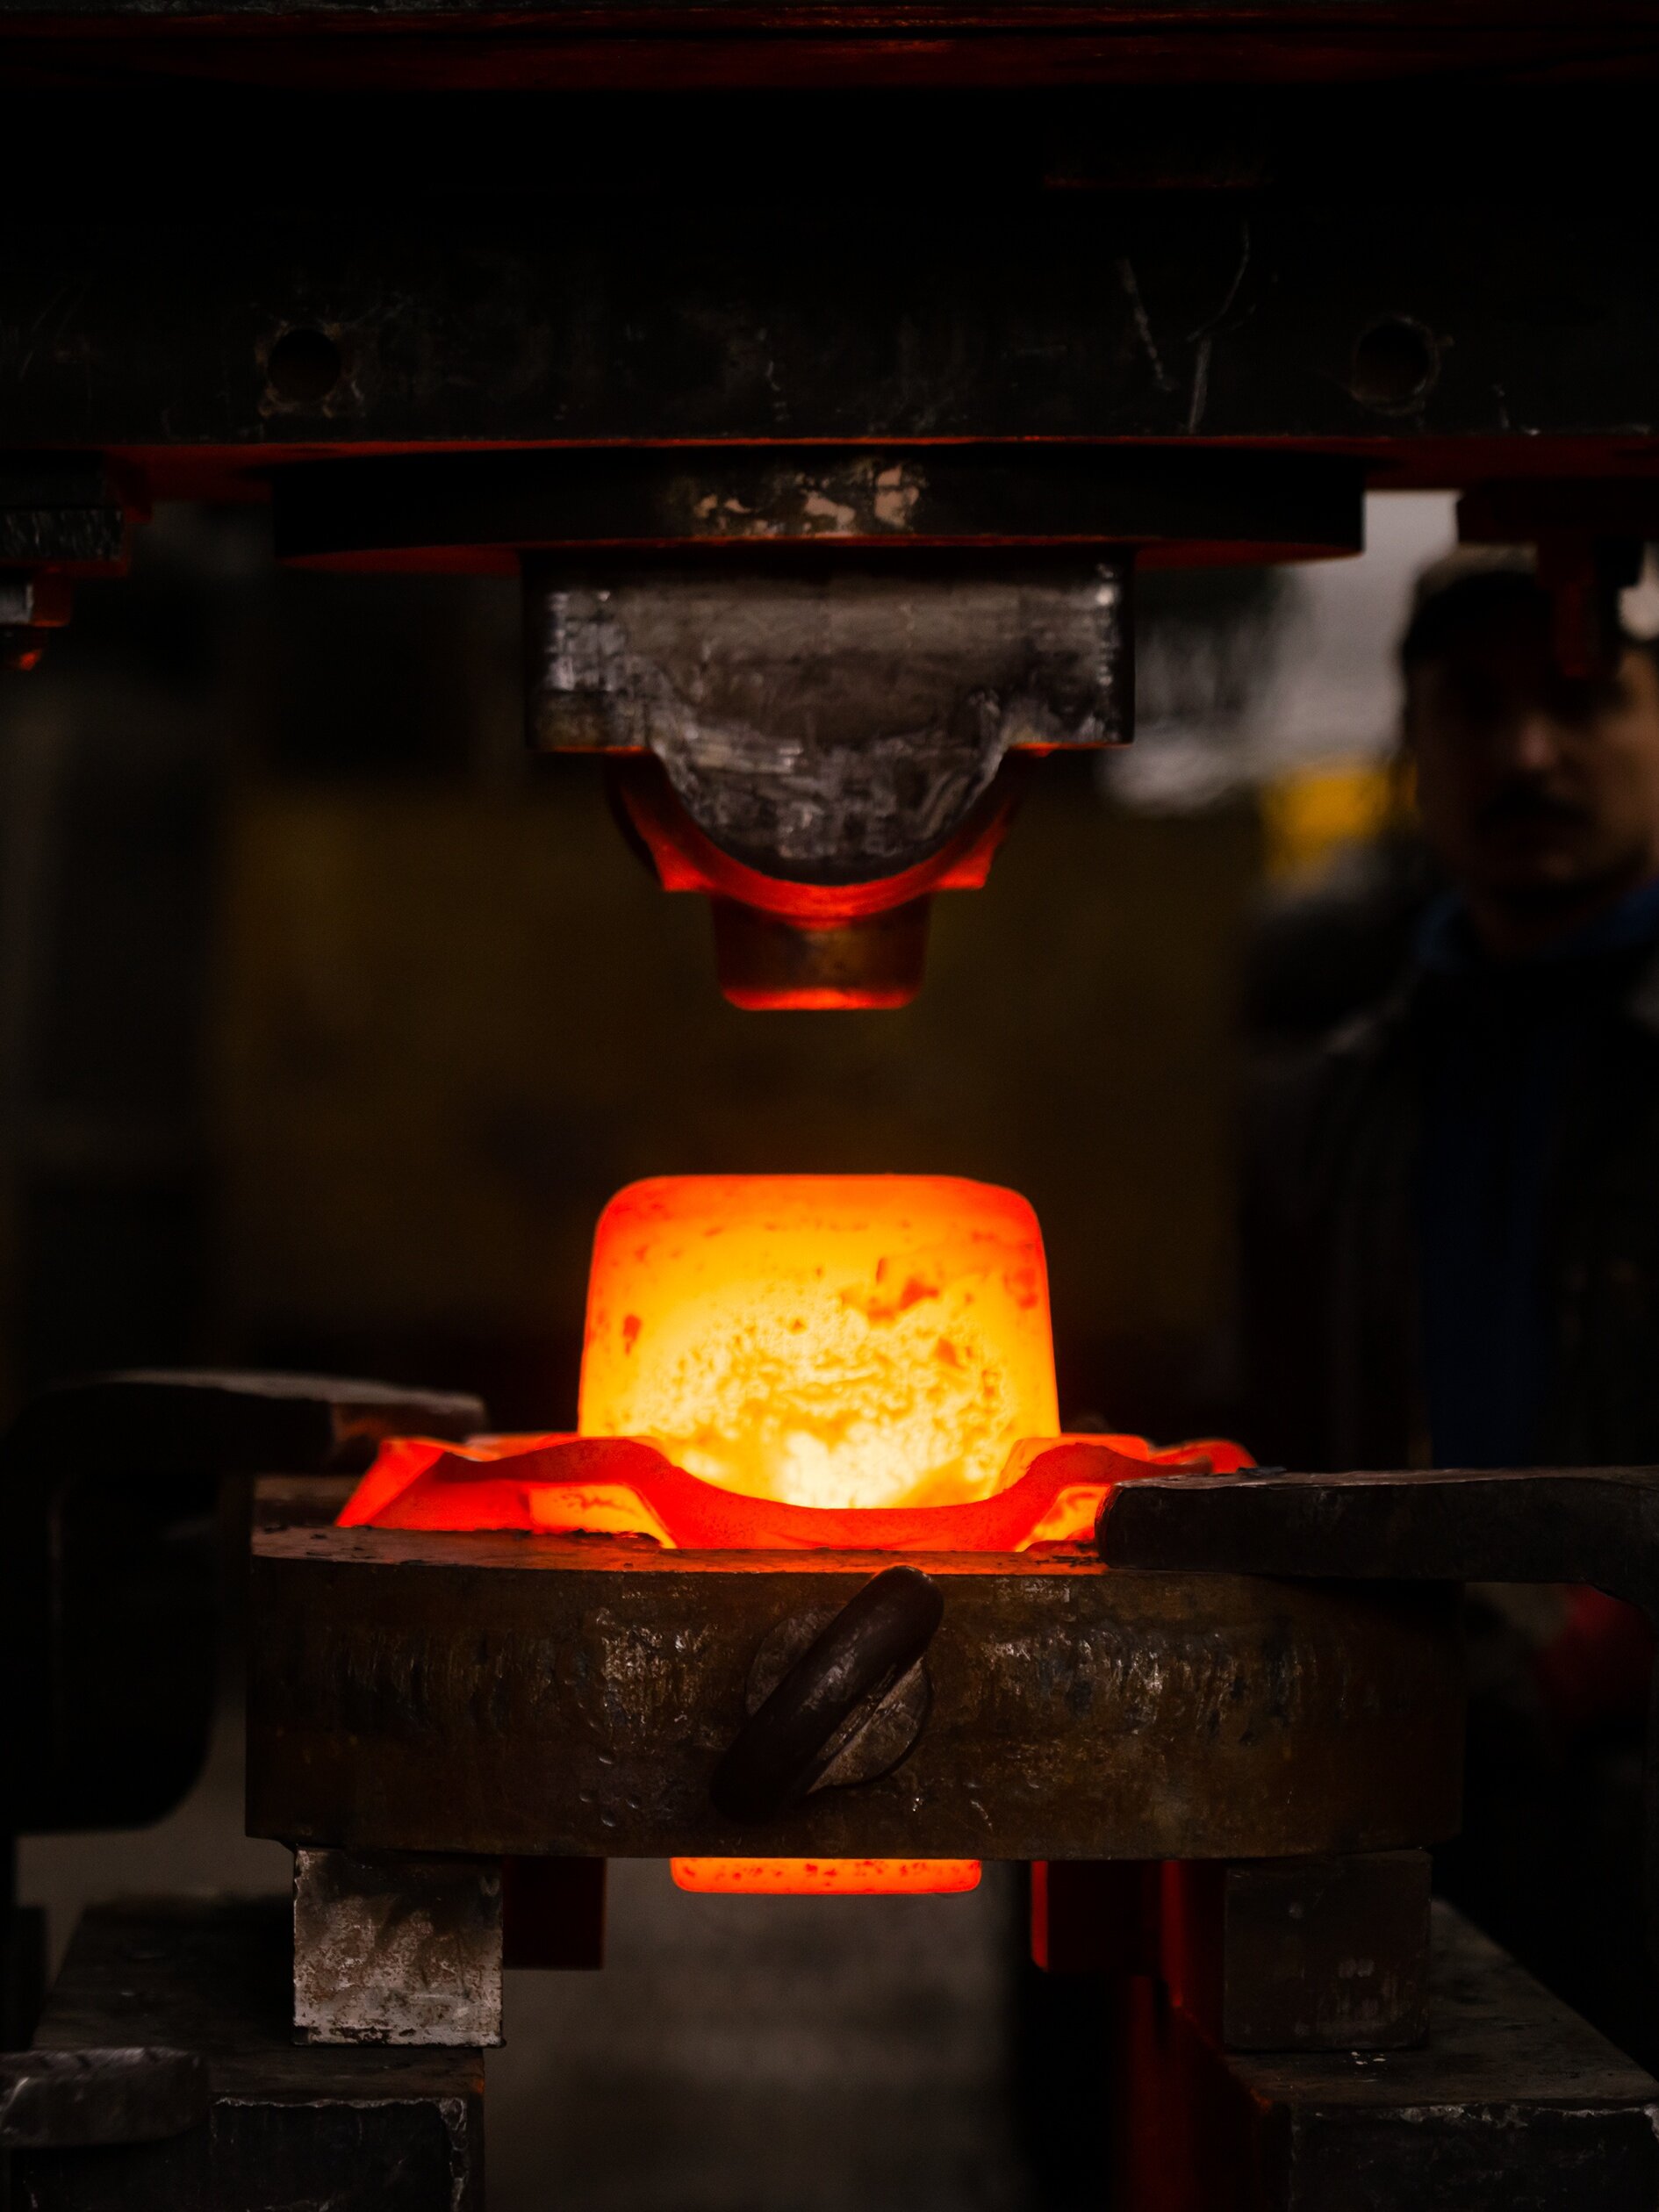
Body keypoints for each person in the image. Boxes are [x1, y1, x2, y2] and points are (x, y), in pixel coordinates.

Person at [1241, 547, 1659, 2062]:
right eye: (1472, 710)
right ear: (1412, 749)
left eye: (1583, 702)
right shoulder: (1337, 1102)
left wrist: (1600, 1632)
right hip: (1406, 1784)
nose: (1527, 754)